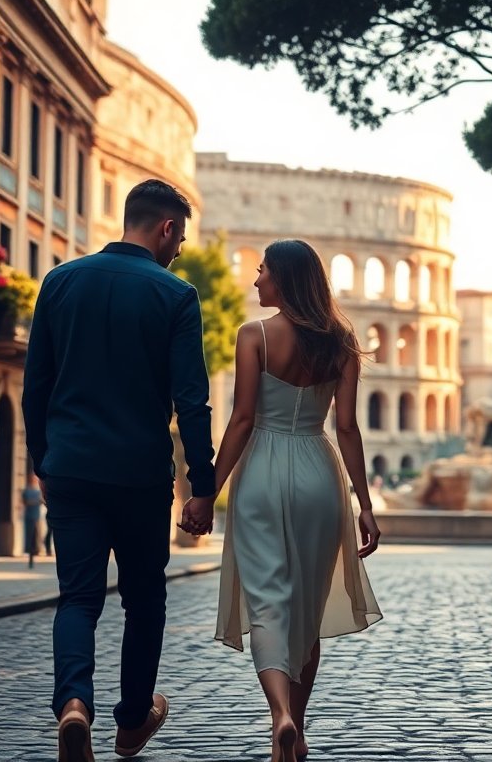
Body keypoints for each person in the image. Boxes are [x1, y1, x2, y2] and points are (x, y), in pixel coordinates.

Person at [23, 179, 216, 762]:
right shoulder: (176, 296)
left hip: (72, 471)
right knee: (144, 600)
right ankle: (132, 721)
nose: (179, 249)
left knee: (77, 599)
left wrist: (43, 462)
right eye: (179, 237)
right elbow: (192, 401)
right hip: (138, 475)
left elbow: (36, 387)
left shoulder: (59, 282)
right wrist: (202, 486)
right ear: (165, 229)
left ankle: (73, 705)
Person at [180, 239, 383, 762]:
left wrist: (208, 492)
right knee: (308, 611)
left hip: (263, 474)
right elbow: (348, 429)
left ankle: (280, 717)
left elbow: (242, 420)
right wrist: (366, 505)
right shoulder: (341, 340)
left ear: (285, 279)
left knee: (269, 602)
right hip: (319, 471)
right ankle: (300, 722)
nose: (255, 280)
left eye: (262, 270)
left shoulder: (255, 336)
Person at [23, 473, 44, 556]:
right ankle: (28, 549)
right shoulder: (27, 491)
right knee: (29, 533)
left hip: (37, 515)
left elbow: (42, 501)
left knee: (37, 533)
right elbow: (25, 502)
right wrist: (36, 502)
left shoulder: (38, 491)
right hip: (29, 515)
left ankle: (36, 549)